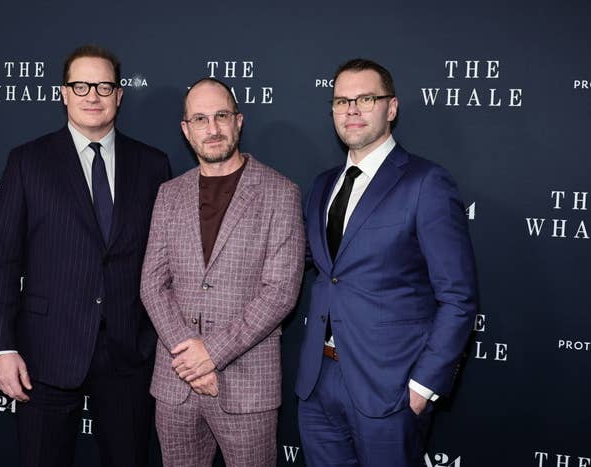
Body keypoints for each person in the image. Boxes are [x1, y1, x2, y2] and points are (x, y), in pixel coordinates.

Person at [0, 44, 170, 467]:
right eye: (80, 85)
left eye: (104, 85)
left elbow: (165, 262)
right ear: (63, 93)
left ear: (119, 95)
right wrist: (0, 346)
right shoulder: (27, 161)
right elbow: (3, 260)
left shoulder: (153, 165)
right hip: (44, 351)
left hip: (128, 351)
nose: (93, 95)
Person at [295, 58, 477, 467]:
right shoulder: (324, 184)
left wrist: (422, 386)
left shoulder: (426, 183)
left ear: (391, 108)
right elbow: (319, 267)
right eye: (342, 101)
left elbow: (458, 297)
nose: (352, 110)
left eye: (366, 98)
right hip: (318, 380)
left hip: (390, 387)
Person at [140, 77, 305, 467]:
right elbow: (152, 283)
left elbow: (280, 292)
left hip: (246, 386)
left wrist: (210, 354)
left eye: (221, 116)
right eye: (200, 119)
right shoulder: (169, 194)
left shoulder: (281, 193)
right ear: (186, 129)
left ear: (239, 121)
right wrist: (191, 359)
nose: (212, 129)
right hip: (175, 382)